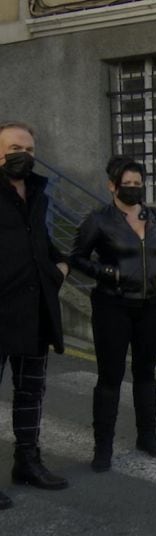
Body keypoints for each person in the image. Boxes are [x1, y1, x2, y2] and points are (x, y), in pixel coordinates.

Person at [69, 156, 156, 473]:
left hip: (152, 305)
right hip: (112, 306)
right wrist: (109, 272)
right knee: (110, 377)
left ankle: (148, 436)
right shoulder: (98, 220)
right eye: (126, 184)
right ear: (112, 186)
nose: (133, 189)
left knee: (146, 373)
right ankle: (102, 447)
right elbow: (77, 257)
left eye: (137, 183)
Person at [0, 121, 70, 511]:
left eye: (28, 149)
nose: (22, 155)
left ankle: (27, 462)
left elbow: (40, 240)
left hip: (34, 311)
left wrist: (59, 268)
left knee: (31, 393)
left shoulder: (39, 192)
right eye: (14, 148)